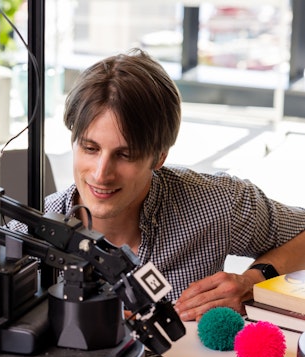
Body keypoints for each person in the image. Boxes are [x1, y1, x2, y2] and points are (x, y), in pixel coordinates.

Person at [42, 48, 305, 322]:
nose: (100, 174)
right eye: (89, 148)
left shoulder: (216, 203)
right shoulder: (26, 231)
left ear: (159, 157)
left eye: (125, 155)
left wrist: (253, 281)